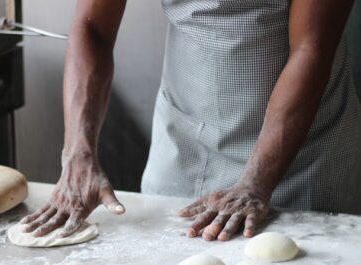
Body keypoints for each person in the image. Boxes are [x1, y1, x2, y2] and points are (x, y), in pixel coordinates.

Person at [22, 0, 361, 241]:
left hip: (302, 158)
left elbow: (311, 49)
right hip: (184, 144)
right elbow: (92, 27)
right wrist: (78, 152)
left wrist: (256, 182)